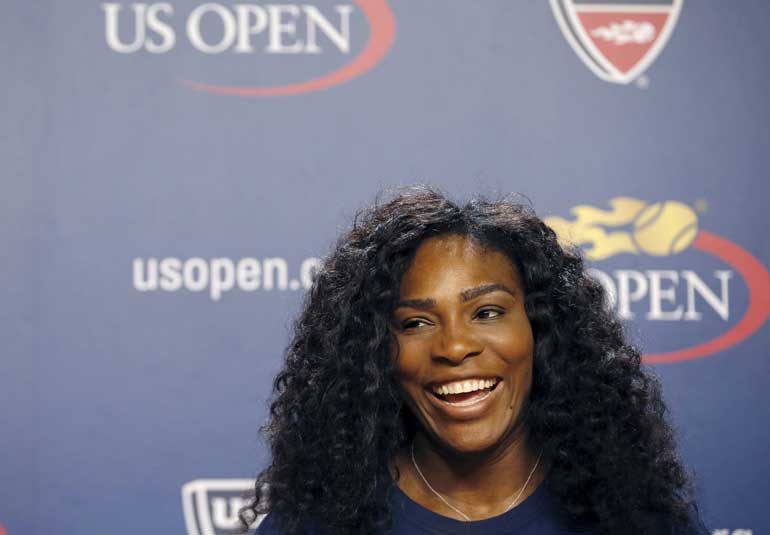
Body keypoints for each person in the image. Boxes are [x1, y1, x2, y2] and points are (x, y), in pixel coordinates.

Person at [240, 186, 709, 535]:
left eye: (487, 312)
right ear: (374, 352)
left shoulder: (636, 518)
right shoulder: (313, 525)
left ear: (541, 330)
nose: (455, 347)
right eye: (416, 323)